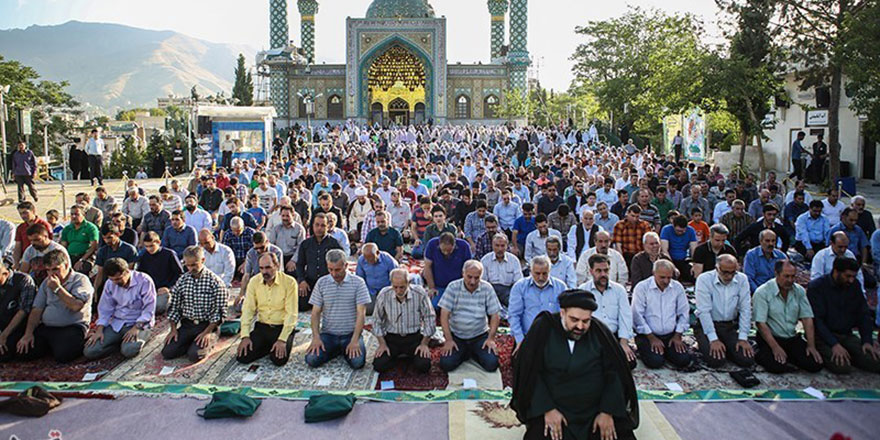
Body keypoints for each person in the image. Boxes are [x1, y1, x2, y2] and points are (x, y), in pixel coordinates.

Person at [510, 289, 639, 440]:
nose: (580, 326)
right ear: (562, 312)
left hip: (594, 410)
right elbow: (530, 372)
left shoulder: (600, 332)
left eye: (586, 321)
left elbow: (615, 373)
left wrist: (607, 411)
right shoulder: (543, 328)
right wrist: (547, 409)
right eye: (574, 320)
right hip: (554, 407)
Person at [14, 250, 92, 362]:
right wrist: (28, 333)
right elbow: (37, 309)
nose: (51, 274)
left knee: (64, 356)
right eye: (48, 270)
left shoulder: (80, 280)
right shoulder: (47, 282)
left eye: (56, 269)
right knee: (22, 351)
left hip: (72, 326)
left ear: (66, 265)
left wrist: (57, 289)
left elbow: (76, 306)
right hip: (48, 327)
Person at [806, 257, 880, 375]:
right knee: (842, 367)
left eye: (853, 277)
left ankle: (852, 354)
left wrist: (867, 340)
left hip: (846, 335)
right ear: (836, 271)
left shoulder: (854, 285)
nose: (851, 280)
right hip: (823, 337)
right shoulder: (817, 287)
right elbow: (817, 321)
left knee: (875, 362)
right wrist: (834, 344)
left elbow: (863, 314)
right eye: (847, 276)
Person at [752, 260, 823, 374]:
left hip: (791, 337)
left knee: (815, 364)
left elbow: (807, 318)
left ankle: (789, 356)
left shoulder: (799, 291)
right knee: (776, 366)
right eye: (786, 276)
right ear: (777, 274)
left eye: (793, 276)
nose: (790, 280)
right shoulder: (763, 292)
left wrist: (811, 345)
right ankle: (762, 353)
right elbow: (761, 323)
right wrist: (775, 347)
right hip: (771, 338)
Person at [305, 249, 371, 370]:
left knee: (358, 363)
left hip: (350, 334)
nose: (334, 274)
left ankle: (339, 350)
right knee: (311, 359)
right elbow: (315, 313)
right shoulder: (321, 283)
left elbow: (361, 314)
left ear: (346, 265)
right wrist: (316, 337)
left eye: (337, 270)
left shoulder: (358, 283)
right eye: (330, 269)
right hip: (328, 334)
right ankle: (338, 350)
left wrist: (355, 340)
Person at [162, 245, 227, 362]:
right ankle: (190, 343)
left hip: (207, 325)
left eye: (194, 265)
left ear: (202, 260)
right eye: (187, 265)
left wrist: (207, 332)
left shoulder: (215, 282)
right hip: (188, 325)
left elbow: (219, 312)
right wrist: (173, 329)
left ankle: (211, 339)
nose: (190, 268)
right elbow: (175, 305)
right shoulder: (183, 280)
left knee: (195, 355)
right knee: (168, 352)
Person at [83, 258, 156, 360]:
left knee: (129, 351)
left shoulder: (144, 280)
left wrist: (136, 328)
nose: (115, 282)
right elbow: (105, 309)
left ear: (127, 272)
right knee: (90, 351)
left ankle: (130, 342)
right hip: (117, 323)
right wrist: (99, 330)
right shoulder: (110, 283)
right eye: (112, 279)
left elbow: (149, 309)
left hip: (138, 323)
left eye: (118, 279)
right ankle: (116, 345)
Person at [438, 260, 502, 373]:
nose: (472, 281)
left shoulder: (487, 288)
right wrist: (448, 340)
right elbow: (444, 315)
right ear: (463, 273)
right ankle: (467, 353)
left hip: (479, 336)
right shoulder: (453, 287)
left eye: (476, 278)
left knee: (492, 364)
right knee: (446, 364)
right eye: (469, 277)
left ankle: (468, 353)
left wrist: (491, 338)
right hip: (457, 336)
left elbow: (495, 315)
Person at [236, 253, 299, 366]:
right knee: (242, 357)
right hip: (262, 326)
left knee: (278, 360)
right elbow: (248, 309)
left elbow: (292, 314)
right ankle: (268, 346)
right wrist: (245, 336)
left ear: (277, 266)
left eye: (268, 267)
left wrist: (282, 340)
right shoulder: (254, 281)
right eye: (261, 268)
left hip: (281, 327)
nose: (265, 272)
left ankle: (280, 342)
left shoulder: (289, 282)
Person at [693, 255, 755, 369]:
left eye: (733, 273)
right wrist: (713, 339)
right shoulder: (704, 279)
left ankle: (728, 347)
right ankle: (705, 343)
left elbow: (745, 309)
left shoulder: (742, 279)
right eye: (725, 272)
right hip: (707, 326)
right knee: (716, 361)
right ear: (717, 268)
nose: (729, 276)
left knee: (747, 360)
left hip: (729, 326)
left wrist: (743, 337)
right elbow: (704, 311)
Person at [371, 268, 436, 374]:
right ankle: (402, 357)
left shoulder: (419, 293)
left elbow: (430, 317)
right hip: (392, 338)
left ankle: (405, 356)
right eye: (395, 287)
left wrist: (424, 343)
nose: (398, 291)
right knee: (379, 365)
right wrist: (382, 343)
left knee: (424, 365)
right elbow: (376, 320)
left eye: (402, 287)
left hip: (413, 338)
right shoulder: (384, 294)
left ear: (409, 283)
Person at [631, 260, 693, 369]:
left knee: (684, 360)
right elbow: (637, 316)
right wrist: (651, 338)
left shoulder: (677, 287)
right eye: (662, 277)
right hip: (647, 334)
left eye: (669, 277)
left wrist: (678, 335)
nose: (666, 281)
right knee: (655, 362)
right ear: (654, 274)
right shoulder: (642, 288)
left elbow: (684, 312)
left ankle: (667, 350)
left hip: (671, 334)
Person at [579, 254, 636, 369]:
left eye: (606, 270)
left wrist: (624, 342)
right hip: (592, 337)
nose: (603, 274)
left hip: (613, 336)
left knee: (630, 363)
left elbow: (625, 316)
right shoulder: (583, 290)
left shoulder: (619, 290)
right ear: (591, 271)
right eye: (598, 271)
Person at [508, 256, 566, 346]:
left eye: (544, 273)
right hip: (527, 337)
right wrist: (520, 340)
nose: (541, 277)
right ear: (531, 272)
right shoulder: (520, 287)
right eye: (537, 273)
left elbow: (565, 314)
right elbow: (514, 315)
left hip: (553, 338)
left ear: (550, 271)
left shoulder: (560, 287)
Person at [296, 213, 344, 311]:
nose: (319, 228)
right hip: (310, 282)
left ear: (328, 227)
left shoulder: (334, 243)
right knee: (301, 306)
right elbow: (300, 264)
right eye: (317, 225)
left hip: (329, 283)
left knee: (331, 308)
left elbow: (342, 265)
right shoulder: (306, 244)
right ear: (312, 225)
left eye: (322, 225)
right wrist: (302, 280)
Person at [137, 232, 184, 315]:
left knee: (158, 308)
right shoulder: (144, 256)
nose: (149, 249)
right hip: (150, 290)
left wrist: (169, 288)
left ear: (158, 242)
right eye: (146, 246)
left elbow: (179, 275)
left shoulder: (169, 254)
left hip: (166, 289)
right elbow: (141, 275)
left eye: (151, 246)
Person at [423, 232, 472, 309]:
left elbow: (468, 269)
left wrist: (465, 289)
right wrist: (431, 288)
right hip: (439, 286)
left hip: (458, 287)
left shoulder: (464, 246)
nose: (446, 253)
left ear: (454, 246)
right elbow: (427, 267)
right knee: (434, 305)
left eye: (449, 251)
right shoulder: (432, 244)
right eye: (443, 250)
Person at [0, 265, 37, 362]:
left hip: (17, 327)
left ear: (5, 273)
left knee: (12, 351)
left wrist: (3, 335)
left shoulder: (24, 280)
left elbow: (23, 311)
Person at [93, 224, 139, 301]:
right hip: (108, 283)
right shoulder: (102, 251)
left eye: (109, 238)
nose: (107, 241)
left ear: (117, 234)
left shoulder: (129, 250)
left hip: (124, 282)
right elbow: (100, 273)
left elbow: (130, 272)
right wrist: (95, 289)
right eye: (104, 238)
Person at [238, 231, 284, 303]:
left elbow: (278, 273)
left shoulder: (277, 252)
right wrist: (241, 294)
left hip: (273, 281)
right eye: (256, 248)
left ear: (267, 242)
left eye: (262, 247)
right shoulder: (251, 253)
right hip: (258, 281)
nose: (259, 250)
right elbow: (247, 274)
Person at [480, 233, 523, 310]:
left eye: (502, 246)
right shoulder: (485, 260)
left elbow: (518, 282)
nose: (500, 249)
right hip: (490, 292)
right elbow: (483, 282)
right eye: (497, 245)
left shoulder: (514, 260)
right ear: (492, 245)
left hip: (508, 292)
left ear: (507, 246)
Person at [356, 243, 399, 312]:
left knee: (391, 309)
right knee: (367, 310)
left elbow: (396, 276)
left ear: (377, 253)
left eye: (370, 258)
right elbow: (360, 279)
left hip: (387, 290)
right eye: (366, 258)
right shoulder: (361, 260)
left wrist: (391, 291)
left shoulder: (388, 259)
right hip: (371, 291)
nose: (368, 261)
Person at [61, 205, 100, 275]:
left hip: (86, 256)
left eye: (76, 214)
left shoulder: (90, 228)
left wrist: (82, 260)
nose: (73, 217)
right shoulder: (67, 229)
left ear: (84, 215)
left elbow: (93, 247)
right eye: (72, 214)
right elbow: (63, 246)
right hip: (70, 256)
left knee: (81, 270)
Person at [267, 205, 306, 274]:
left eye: (287, 216)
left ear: (293, 215)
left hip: (292, 257)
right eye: (283, 216)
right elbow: (271, 244)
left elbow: (301, 247)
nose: (285, 218)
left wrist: (293, 261)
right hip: (278, 257)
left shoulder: (299, 229)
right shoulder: (276, 229)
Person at [13, 202, 52, 269]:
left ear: (33, 211)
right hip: (26, 259)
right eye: (21, 214)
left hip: (42, 259)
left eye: (25, 213)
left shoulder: (44, 225)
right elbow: (17, 247)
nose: (23, 216)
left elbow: (50, 244)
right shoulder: (20, 228)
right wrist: (16, 263)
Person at [659, 215, 698, 282]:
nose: (680, 233)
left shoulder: (691, 231)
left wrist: (695, 265)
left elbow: (694, 250)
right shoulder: (666, 230)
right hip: (669, 259)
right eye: (678, 231)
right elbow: (664, 250)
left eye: (682, 231)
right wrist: (672, 267)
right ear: (673, 226)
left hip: (684, 259)